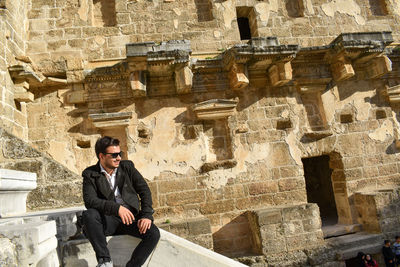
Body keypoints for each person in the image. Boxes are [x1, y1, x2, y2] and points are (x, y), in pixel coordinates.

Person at [82, 136, 160, 267]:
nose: (118, 158)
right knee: (89, 214)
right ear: (101, 156)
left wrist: (146, 215)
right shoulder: (90, 174)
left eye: (120, 154)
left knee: (153, 234)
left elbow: (144, 190)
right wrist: (116, 208)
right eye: (114, 155)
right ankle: (105, 261)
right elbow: (90, 201)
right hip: (108, 221)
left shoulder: (127, 167)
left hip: (130, 219)